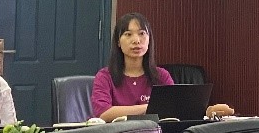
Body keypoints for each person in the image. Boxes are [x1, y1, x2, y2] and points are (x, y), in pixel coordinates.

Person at [91, 12, 233, 120]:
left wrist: (208, 111)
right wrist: (151, 108)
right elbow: (103, 113)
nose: (136, 40)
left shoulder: (161, 75)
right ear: (118, 42)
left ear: (149, 39)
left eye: (142, 33)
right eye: (128, 34)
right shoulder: (105, 76)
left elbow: (176, 109)